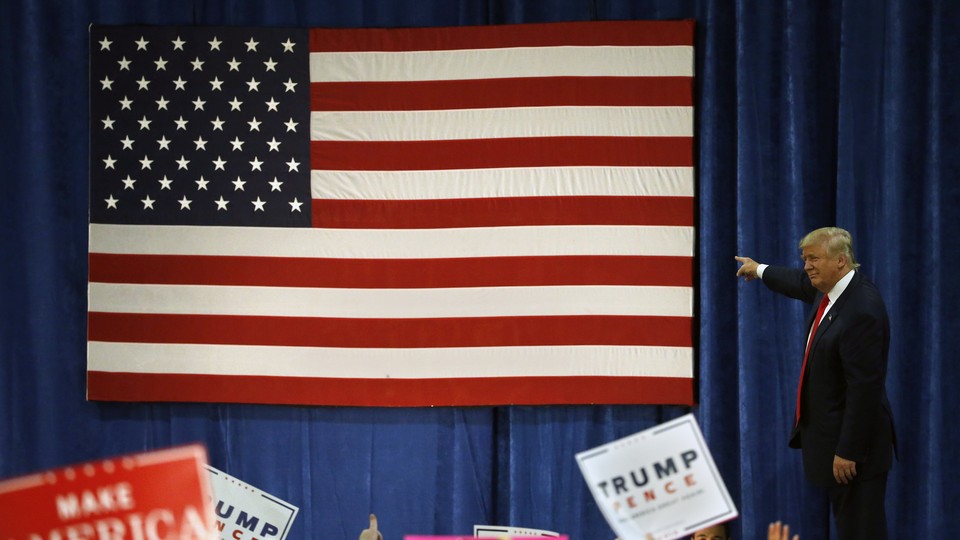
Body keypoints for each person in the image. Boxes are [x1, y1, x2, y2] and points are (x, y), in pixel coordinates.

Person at [735, 227, 895, 540]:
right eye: (805, 258)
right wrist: (760, 269)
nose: (807, 266)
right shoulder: (832, 291)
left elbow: (865, 389)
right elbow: (797, 282)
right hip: (834, 445)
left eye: (814, 259)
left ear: (840, 261)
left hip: (854, 455)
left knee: (861, 532)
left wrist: (848, 450)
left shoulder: (860, 309)